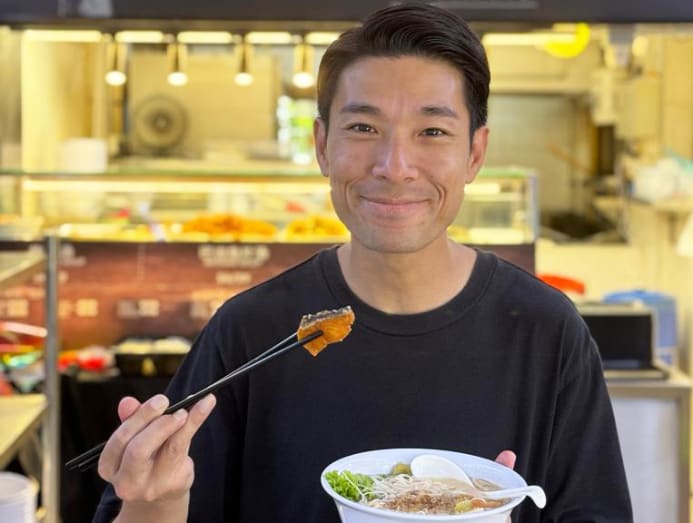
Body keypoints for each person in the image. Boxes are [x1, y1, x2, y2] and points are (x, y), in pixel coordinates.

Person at [93, 3, 632, 522]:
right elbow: (154, 505)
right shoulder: (249, 330)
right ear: (322, 146)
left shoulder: (545, 331)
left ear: (474, 153)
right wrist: (154, 504)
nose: (395, 167)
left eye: (432, 132)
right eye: (363, 128)